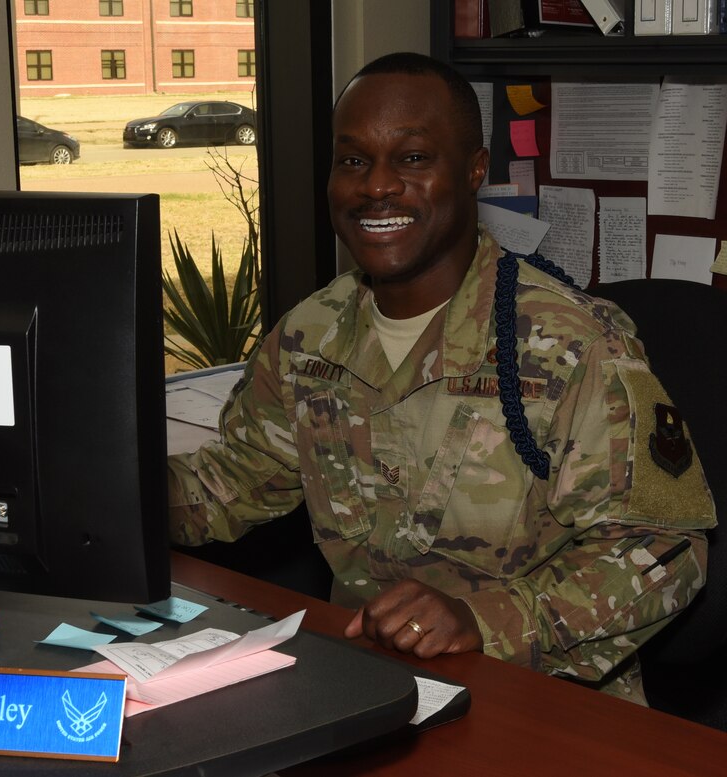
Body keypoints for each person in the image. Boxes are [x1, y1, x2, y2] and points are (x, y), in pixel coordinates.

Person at [166, 52, 716, 703]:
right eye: (352, 160)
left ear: (474, 171)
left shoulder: (574, 344)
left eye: (413, 159)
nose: (376, 186)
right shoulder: (305, 337)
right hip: (366, 685)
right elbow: (225, 488)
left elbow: (667, 555)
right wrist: (89, 486)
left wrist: (486, 619)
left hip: (545, 701)